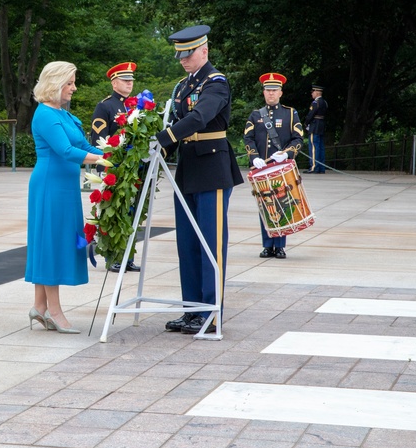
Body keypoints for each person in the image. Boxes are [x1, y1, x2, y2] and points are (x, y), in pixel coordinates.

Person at [154, 25, 243, 336]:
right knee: (188, 243)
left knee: (211, 243)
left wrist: (164, 137)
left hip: (213, 168)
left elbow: (199, 117)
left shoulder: (215, 83)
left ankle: (211, 313)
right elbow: (179, 121)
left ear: (204, 50)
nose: (183, 59)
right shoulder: (182, 87)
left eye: (188, 54)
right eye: (180, 54)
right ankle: (191, 310)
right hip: (189, 168)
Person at [25, 61, 106, 334]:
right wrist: (102, 161)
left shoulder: (63, 114)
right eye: (69, 83)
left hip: (63, 187)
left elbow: (82, 145)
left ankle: (40, 307)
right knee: (52, 243)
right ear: (55, 84)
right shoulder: (46, 114)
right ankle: (55, 311)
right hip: (50, 186)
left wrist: (110, 153)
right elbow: (65, 150)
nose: (74, 87)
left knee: (52, 240)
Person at [243, 72, 304, 259]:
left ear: (280, 93)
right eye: (267, 90)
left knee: (282, 204)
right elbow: (248, 138)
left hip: (281, 167)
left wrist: (286, 153)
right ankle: (267, 245)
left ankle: (280, 245)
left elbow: (298, 138)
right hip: (263, 168)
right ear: (263, 93)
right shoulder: (255, 115)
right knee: (265, 205)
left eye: (274, 90)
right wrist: (254, 158)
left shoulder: (290, 113)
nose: (270, 94)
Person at [91, 62, 139, 272]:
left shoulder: (135, 106)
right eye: (125, 80)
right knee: (111, 212)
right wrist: (106, 167)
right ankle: (112, 257)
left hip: (131, 167)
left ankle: (127, 256)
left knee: (131, 211)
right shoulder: (105, 106)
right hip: (113, 167)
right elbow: (99, 140)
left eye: (131, 81)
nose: (129, 84)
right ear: (114, 82)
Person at [305, 84, 328, 173]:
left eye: (313, 92)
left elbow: (311, 115)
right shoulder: (325, 102)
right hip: (322, 125)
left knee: (314, 147)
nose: (312, 94)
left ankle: (314, 167)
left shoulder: (315, 103)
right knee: (320, 147)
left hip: (315, 126)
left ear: (317, 93)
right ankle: (321, 167)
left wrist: (306, 123)